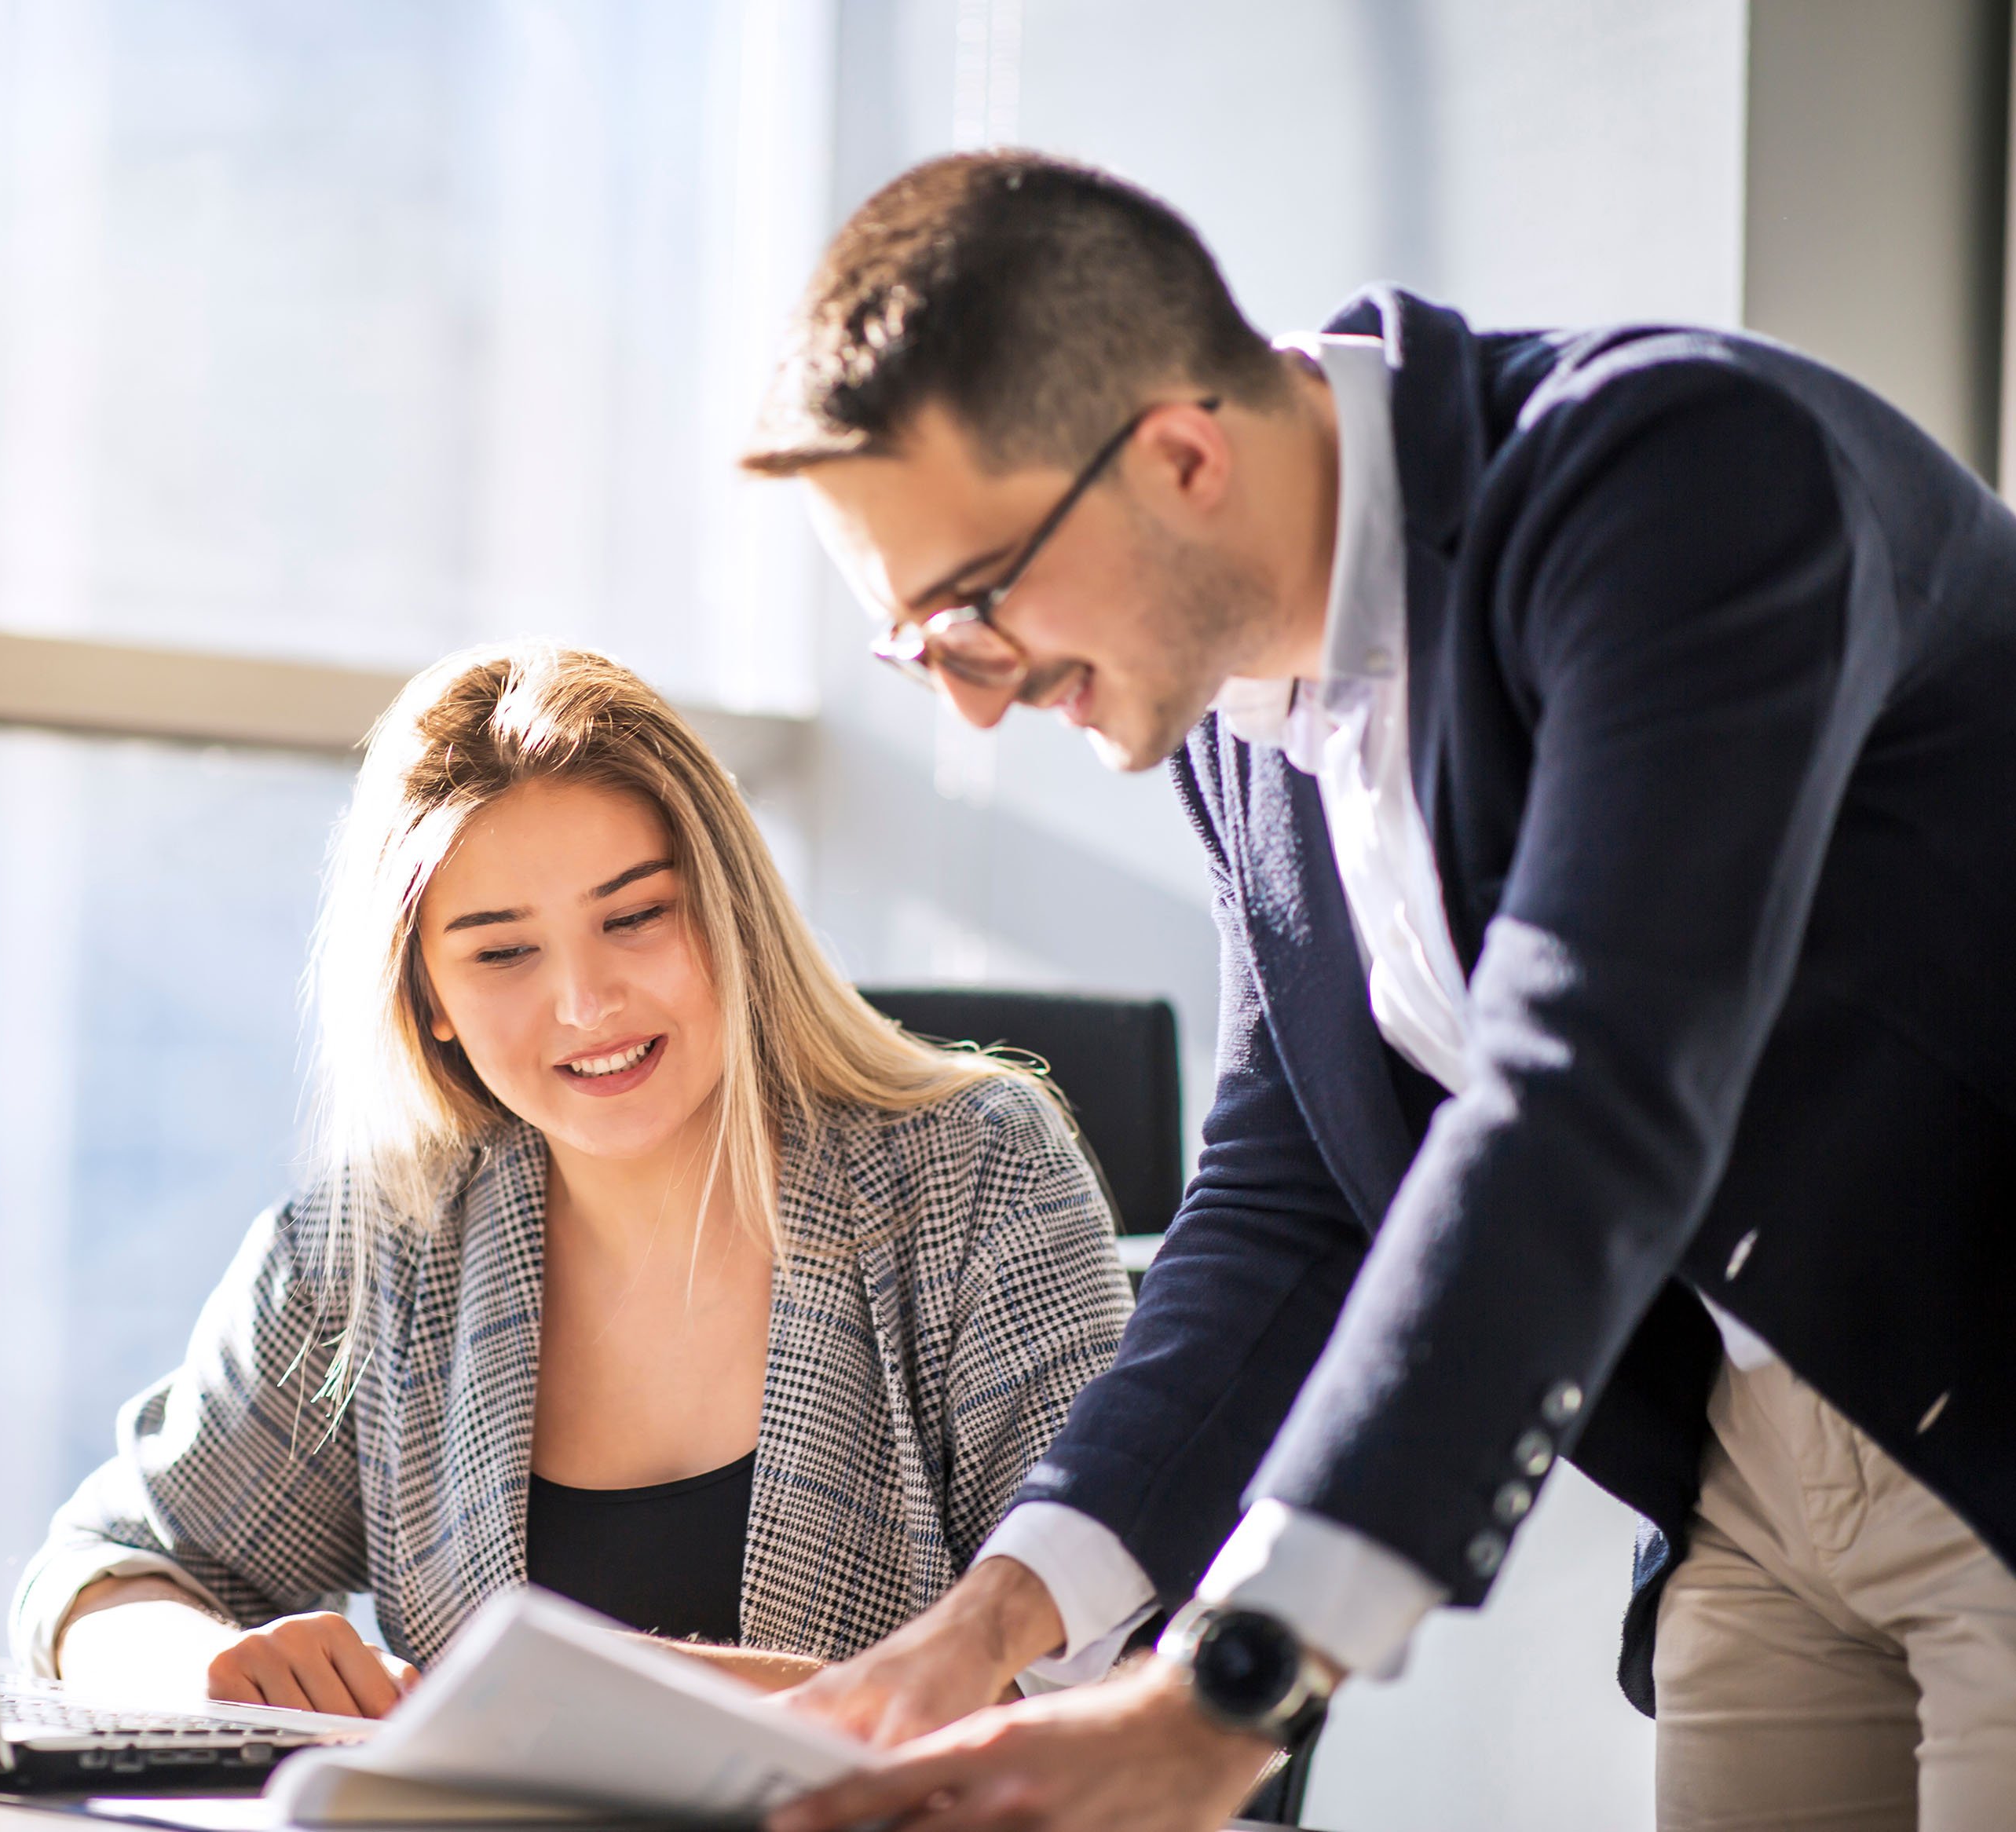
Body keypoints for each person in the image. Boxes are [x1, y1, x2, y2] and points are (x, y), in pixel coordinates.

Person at [735, 152, 2016, 1832]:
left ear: (1180, 455)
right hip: (1750, 1500)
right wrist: (997, 1620)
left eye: (973, 612)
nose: (972, 706)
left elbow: (1584, 1092)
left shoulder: (1676, 477)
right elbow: (1290, 1200)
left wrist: (1229, 1691)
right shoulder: (1239, 721)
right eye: (923, 651)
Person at [9, 642, 1132, 1717]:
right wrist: (204, 1669)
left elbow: (1105, 1655)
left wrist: (582, 1700)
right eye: (502, 951)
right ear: (429, 997)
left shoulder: (974, 1171)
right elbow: (102, 1569)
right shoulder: (385, 1238)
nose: (587, 1003)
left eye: (636, 916)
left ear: (728, 907)